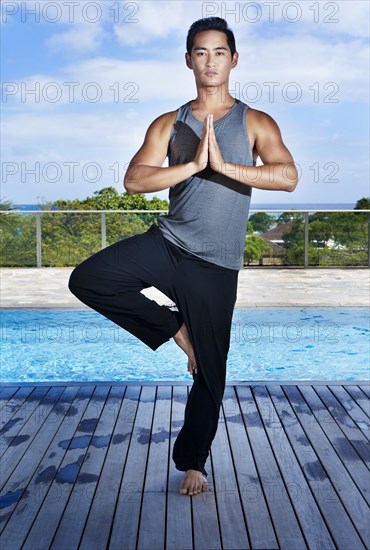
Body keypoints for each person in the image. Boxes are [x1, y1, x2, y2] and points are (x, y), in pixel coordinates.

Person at [68, 17, 298, 497]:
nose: (209, 60)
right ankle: (175, 328)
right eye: (200, 52)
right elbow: (135, 180)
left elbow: (287, 176)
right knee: (89, 279)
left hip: (215, 265)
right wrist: (192, 166)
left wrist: (225, 167)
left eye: (219, 52)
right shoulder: (169, 123)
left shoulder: (255, 121)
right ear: (188, 59)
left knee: (211, 370)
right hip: (169, 243)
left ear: (233, 59)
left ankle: (193, 461)